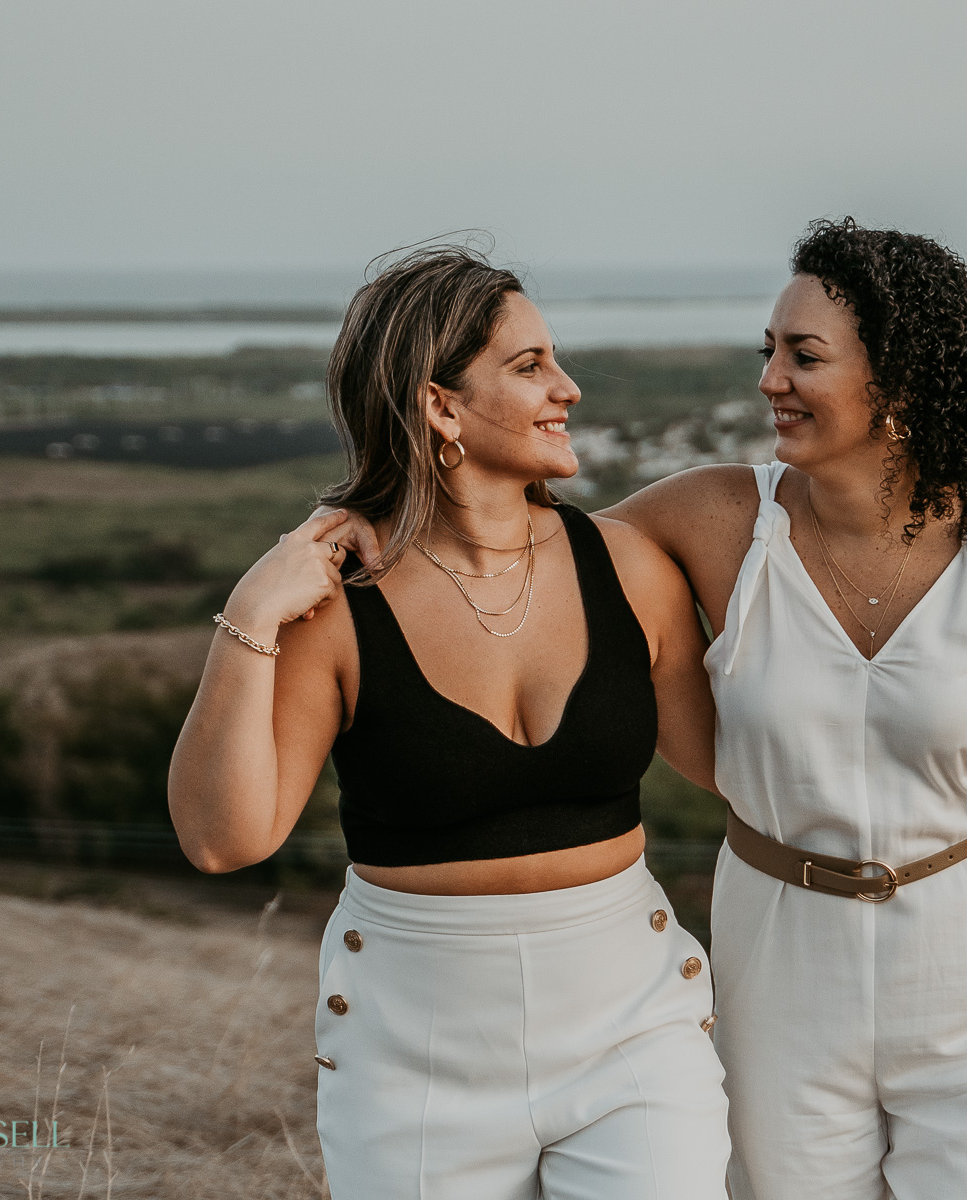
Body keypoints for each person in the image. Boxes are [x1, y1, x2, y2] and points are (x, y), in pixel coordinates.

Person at [168, 244, 742, 1200]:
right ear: (440, 405)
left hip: (631, 1022)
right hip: (411, 1051)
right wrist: (251, 614)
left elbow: (745, 768)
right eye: (529, 367)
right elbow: (225, 839)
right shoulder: (339, 608)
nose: (569, 387)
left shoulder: (630, 570)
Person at [600, 218, 967, 1198]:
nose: (770, 380)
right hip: (778, 962)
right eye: (769, 352)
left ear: (899, 379)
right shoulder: (716, 519)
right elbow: (532, 564)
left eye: (804, 356)